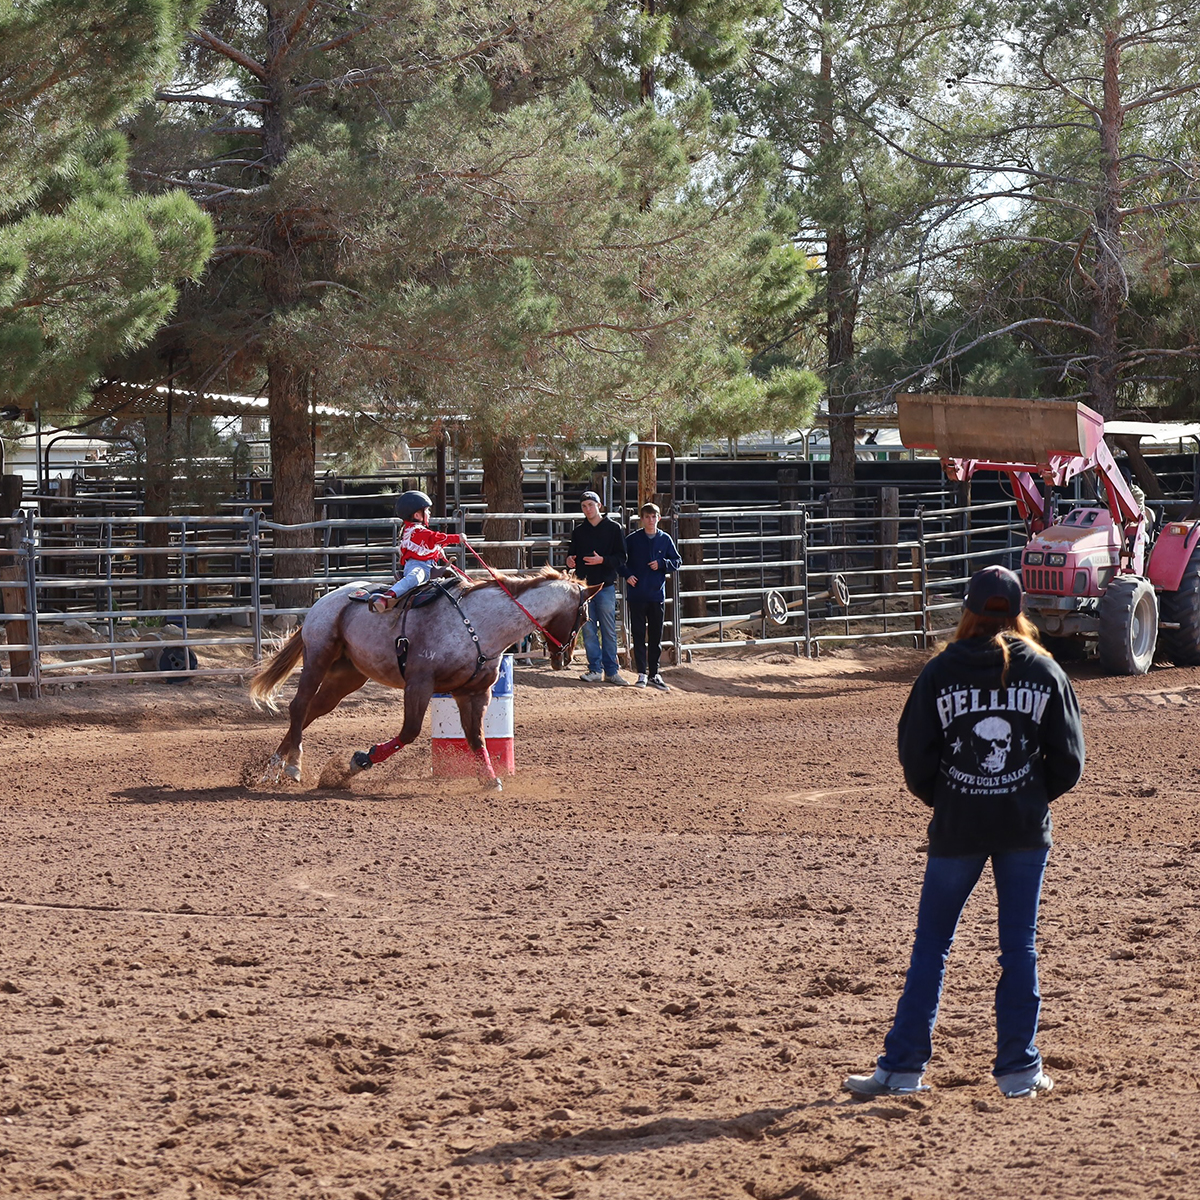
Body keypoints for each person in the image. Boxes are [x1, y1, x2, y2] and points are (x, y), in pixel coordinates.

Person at [843, 565, 1085, 1101]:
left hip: (958, 827)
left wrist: (952, 797)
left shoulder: (940, 670)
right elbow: (1070, 760)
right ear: (1019, 611)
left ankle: (902, 1069)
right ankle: (1019, 1072)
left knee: (932, 946)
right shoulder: (1045, 670)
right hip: (1023, 828)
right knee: (1018, 948)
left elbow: (914, 757)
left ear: (968, 610)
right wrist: (1025, 794)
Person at [566, 490, 629, 684]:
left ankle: (611, 670)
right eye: (584, 506)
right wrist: (569, 560)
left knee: (608, 629)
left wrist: (602, 560)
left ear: (599, 506)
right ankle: (594, 668)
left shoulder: (613, 528)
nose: (587, 509)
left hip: (605, 586)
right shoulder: (578, 531)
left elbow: (622, 557)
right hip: (584, 588)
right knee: (589, 630)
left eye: (590, 505)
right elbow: (571, 556)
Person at [369, 490, 462, 613]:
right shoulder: (416, 530)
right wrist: (457, 538)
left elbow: (426, 545)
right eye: (427, 510)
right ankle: (387, 596)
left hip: (429, 565)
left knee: (455, 578)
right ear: (417, 515)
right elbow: (434, 537)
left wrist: (438, 551)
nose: (429, 513)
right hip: (418, 566)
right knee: (415, 577)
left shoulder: (415, 531)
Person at [622, 502, 681, 690]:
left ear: (659, 518)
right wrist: (627, 575)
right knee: (638, 635)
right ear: (641, 519)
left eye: (653, 516)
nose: (650, 520)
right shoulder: (632, 540)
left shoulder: (665, 539)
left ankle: (654, 673)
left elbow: (677, 560)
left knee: (656, 636)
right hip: (637, 594)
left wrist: (663, 564)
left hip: (656, 595)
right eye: (647, 517)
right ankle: (641, 673)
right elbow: (619, 559)